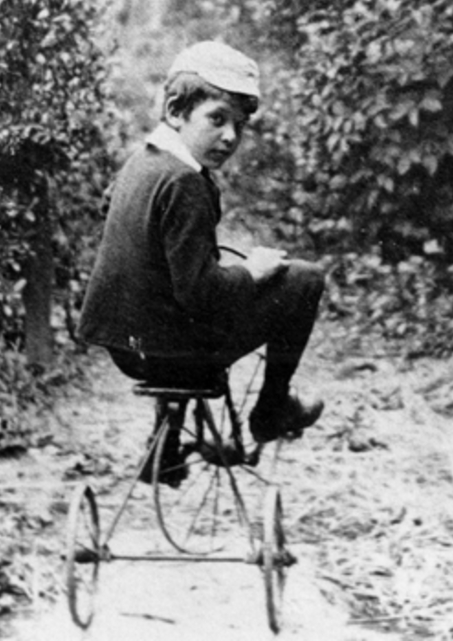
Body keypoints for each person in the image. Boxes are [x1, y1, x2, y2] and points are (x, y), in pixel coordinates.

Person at [77, 40, 325, 477]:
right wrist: (251, 271)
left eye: (239, 125)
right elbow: (201, 294)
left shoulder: (142, 162)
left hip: (126, 346)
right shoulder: (185, 182)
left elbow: (108, 204)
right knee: (304, 279)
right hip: (170, 352)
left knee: (171, 305)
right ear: (176, 112)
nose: (230, 136)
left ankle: (165, 446)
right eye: (217, 119)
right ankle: (272, 409)